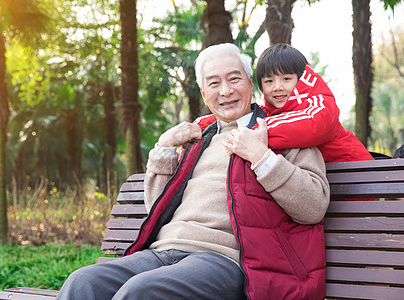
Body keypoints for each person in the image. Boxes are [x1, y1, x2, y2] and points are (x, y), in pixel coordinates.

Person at [56, 43, 330, 300]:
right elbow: (157, 207)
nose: (225, 91)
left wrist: (262, 157)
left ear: (250, 83)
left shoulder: (286, 132)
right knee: (83, 282)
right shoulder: (199, 139)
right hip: (164, 252)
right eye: (214, 83)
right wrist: (164, 148)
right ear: (203, 93)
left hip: (227, 260)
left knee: (142, 292)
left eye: (234, 79)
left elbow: (313, 207)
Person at [196, 44, 373, 163]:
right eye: (269, 81)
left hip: (366, 184)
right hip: (334, 198)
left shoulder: (319, 105)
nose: (277, 87)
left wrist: (250, 133)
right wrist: (202, 125)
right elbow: (245, 116)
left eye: (286, 79)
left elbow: (312, 124)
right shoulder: (272, 113)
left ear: (303, 78)